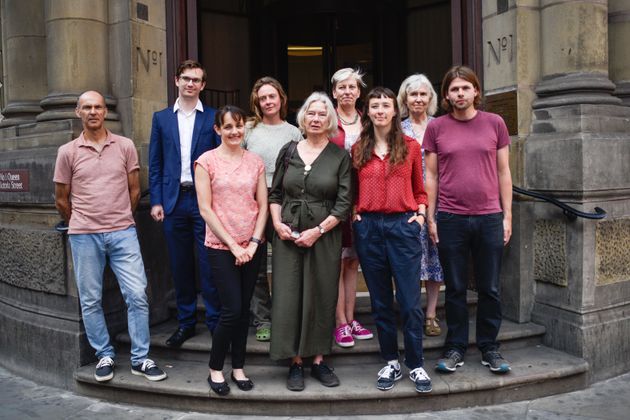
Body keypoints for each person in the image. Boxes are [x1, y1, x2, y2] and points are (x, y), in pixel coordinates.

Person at [54, 90, 167, 383]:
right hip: (84, 235)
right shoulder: (67, 152)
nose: (93, 112)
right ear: (78, 112)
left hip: (123, 232)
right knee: (90, 299)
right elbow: (61, 199)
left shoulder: (125, 146)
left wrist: (120, 217)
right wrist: (81, 221)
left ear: (105, 112)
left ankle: (140, 359)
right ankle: (104, 353)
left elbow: (133, 189)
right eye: (87, 107)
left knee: (137, 295)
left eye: (99, 107)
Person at [424, 65, 513, 375]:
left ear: (476, 91)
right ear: (446, 95)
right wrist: (431, 217)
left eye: (465, 88)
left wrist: (507, 216)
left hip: (489, 216)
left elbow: (504, 171)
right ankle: (456, 347)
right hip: (450, 217)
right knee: (457, 287)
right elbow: (431, 175)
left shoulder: (495, 123)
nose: (460, 93)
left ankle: (489, 347)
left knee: (489, 287)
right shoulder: (436, 128)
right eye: (454, 89)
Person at [269, 92, 352, 391]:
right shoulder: (288, 151)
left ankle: (318, 359)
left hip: (324, 237)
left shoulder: (340, 156)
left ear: (330, 120)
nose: (316, 119)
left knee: (321, 293)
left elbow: (343, 204)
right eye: (311, 113)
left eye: (322, 114)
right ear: (302, 118)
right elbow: (275, 193)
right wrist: (277, 224)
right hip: (287, 235)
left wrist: (318, 230)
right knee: (288, 295)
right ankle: (294, 362)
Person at [352, 87, 432, 393]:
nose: (381, 110)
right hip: (369, 228)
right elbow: (353, 189)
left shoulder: (410, 147)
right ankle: (391, 361)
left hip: (403, 226)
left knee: (410, 302)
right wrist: (356, 216)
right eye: (375, 106)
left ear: (394, 110)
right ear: (368, 112)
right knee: (381, 302)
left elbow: (420, 189)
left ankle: (415, 363)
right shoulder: (359, 148)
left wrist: (421, 216)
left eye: (386, 105)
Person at [195, 106, 268, 396]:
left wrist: (252, 242)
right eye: (228, 127)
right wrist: (234, 245)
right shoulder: (206, 161)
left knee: (243, 311)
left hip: (251, 246)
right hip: (221, 246)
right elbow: (205, 208)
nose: (235, 132)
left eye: (239, 127)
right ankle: (215, 368)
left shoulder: (255, 161)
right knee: (231, 309)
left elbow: (262, 205)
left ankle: (238, 367)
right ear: (218, 130)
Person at [149, 60, 221, 348]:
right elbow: (154, 163)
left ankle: (216, 324)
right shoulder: (161, 118)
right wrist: (155, 200)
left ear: (203, 85)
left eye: (196, 80)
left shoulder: (213, 118)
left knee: (209, 264)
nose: (191, 84)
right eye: (186, 78)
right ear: (176, 80)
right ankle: (187, 323)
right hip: (173, 201)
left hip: (206, 202)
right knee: (179, 266)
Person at [243, 77, 302, 342]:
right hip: (253, 201)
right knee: (255, 262)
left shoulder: (294, 132)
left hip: (285, 201)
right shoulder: (248, 130)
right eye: (262, 98)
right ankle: (262, 319)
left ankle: (284, 315)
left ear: (281, 99)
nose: (268, 102)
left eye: (272, 96)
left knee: (285, 261)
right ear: (257, 102)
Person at [329, 68, 373, 348]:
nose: (347, 91)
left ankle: (351, 317)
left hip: (363, 198)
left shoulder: (368, 121)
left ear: (359, 92)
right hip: (332, 198)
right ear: (334, 92)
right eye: (342, 87)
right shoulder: (325, 116)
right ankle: (339, 322)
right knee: (334, 262)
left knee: (352, 262)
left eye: (352, 87)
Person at [397, 74, 444, 337]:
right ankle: (411, 311)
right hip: (408, 201)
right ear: (405, 99)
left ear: (430, 98)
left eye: (422, 94)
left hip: (440, 199)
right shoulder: (397, 129)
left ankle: (431, 314)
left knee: (435, 258)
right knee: (411, 259)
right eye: (412, 94)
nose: (418, 99)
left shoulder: (441, 126)